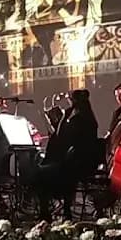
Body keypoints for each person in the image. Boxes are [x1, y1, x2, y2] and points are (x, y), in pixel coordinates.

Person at [31, 89, 99, 221]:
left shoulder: (81, 120)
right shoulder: (81, 117)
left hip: (76, 163)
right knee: (43, 172)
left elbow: (65, 139)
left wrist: (62, 120)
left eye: (71, 100)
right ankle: (52, 209)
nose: (69, 102)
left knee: (40, 174)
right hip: (74, 161)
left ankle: (46, 212)